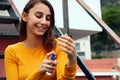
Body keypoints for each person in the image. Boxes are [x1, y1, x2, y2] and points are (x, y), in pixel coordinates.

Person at [4, 0, 77, 80]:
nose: (44, 22)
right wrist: (39, 72)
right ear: (25, 16)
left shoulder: (59, 46)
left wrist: (72, 59)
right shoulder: (12, 51)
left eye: (48, 18)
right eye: (38, 16)